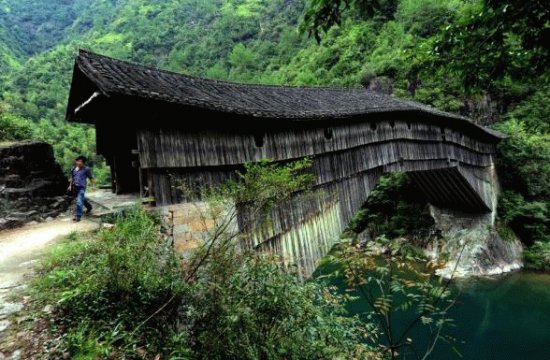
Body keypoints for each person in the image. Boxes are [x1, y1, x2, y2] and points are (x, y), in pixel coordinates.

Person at [68, 155, 95, 222]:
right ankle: (89, 207)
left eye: (80, 161)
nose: (78, 162)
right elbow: (72, 178)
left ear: (83, 163)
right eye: (77, 161)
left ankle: (78, 216)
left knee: (79, 201)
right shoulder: (73, 169)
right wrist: (70, 185)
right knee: (82, 199)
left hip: (81, 188)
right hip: (74, 188)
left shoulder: (86, 169)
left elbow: (91, 178)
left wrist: (93, 186)